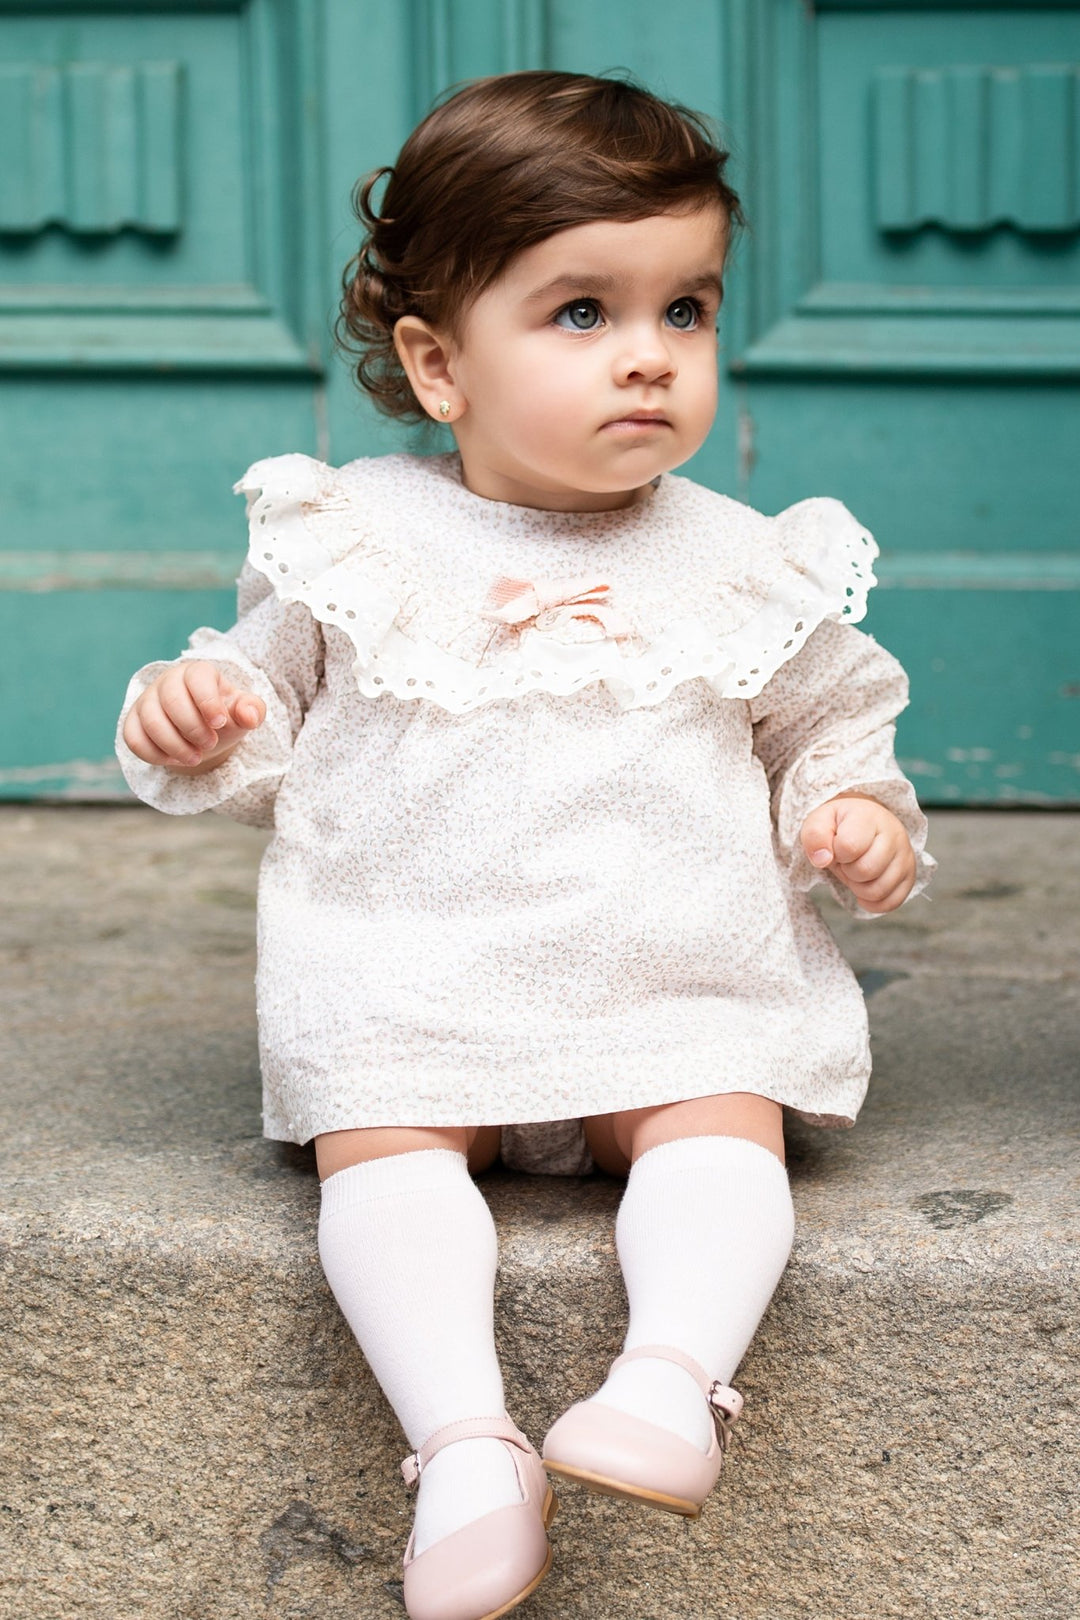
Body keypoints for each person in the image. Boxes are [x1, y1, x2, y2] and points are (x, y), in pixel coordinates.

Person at [116, 70, 934, 1620]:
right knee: (385, 1149)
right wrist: (200, 709)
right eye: (581, 314)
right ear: (438, 365)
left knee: (718, 1118)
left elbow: (834, 721)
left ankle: (671, 1384)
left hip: (663, 974)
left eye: (684, 311)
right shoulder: (350, 535)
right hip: (415, 976)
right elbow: (255, 701)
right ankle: (465, 1449)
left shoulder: (740, 560)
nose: (649, 357)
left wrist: (856, 816)